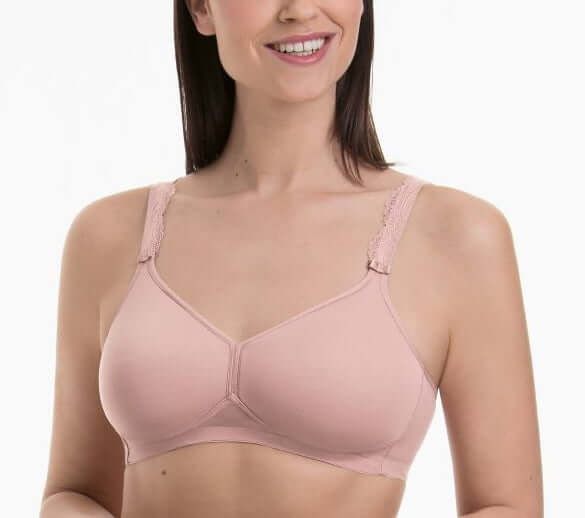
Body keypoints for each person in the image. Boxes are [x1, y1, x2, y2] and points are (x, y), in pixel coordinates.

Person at [39, 1, 543, 517]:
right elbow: (72, 496)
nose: (300, 9)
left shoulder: (456, 238)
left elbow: (506, 507)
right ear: (202, 8)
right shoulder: (110, 237)